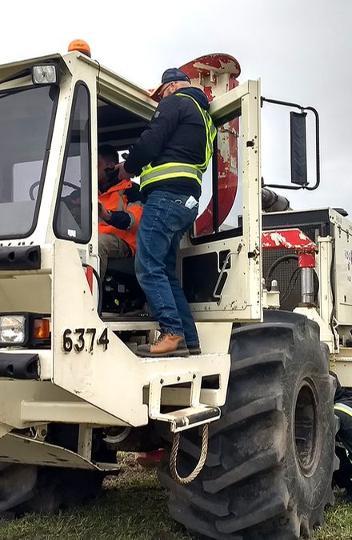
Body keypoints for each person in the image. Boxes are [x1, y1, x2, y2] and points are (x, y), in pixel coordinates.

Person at [113, 68, 216, 357]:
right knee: (165, 273)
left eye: (160, 95)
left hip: (166, 198)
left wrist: (127, 168)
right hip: (185, 202)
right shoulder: (203, 116)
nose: (160, 101)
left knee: (147, 265)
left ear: (169, 87)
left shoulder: (176, 102)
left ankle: (171, 332)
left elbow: (150, 143)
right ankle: (189, 341)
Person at [96, 145, 142, 279]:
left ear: (110, 166)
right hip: (94, 237)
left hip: (124, 242)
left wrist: (107, 215)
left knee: (98, 244)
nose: (91, 169)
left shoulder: (131, 190)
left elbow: (135, 221)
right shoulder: (89, 191)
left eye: (96, 164)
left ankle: (90, 298)